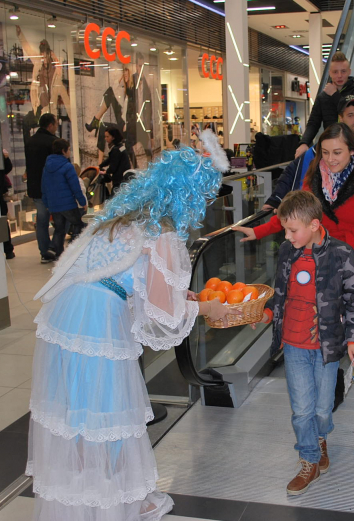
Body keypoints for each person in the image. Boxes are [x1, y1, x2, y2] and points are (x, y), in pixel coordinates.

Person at [28, 130, 239, 520]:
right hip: (95, 320)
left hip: (68, 310)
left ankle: (82, 498)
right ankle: (108, 504)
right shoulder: (163, 232)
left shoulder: (124, 215)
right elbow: (164, 314)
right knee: (108, 411)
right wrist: (208, 309)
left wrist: (185, 299)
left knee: (79, 413)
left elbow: (138, 285)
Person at [236, 123, 354, 437]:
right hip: (322, 271)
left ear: (352, 150)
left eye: (337, 152)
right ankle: (332, 395)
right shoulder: (314, 180)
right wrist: (257, 231)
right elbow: (293, 218)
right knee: (328, 337)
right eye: (325, 152)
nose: (331, 158)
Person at [253, 190, 354, 496]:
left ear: (315, 224)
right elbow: (280, 295)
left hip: (326, 348)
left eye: (293, 230)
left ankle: (320, 438)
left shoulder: (341, 254)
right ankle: (309, 461)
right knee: (302, 410)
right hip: (294, 345)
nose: (288, 237)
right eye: (285, 230)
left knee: (322, 408)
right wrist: (266, 316)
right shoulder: (288, 254)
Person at [295, 52, 354, 159]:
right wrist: (304, 143)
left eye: (343, 71)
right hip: (330, 148)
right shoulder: (323, 97)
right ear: (330, 73)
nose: (339, 75)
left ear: (349, 72)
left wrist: (334, 94)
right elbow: (313, 123)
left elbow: (350, 109)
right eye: (335, 72)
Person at [41, 139, 87, 258]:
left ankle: (56, 251)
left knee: (59, 229)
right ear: (63, 150)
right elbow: (75, 187)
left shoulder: (46, 167)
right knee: (78, 224)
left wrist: (47, 203)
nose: (70, 152)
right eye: (69, 149)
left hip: (54, 205)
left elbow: (44, 186)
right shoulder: (67, 167)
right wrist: (82, 202)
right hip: (68, 204)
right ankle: (72, 250)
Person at [25, 113, 58, 263]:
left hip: (35, 187)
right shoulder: (53, 142)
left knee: (42, 220)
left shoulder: (30, 142)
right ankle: (54, 248)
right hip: (52, 188)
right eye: (55, 124)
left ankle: (45, 251)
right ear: (50, 125)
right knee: (61, 219)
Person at [99, 127, 133, 194]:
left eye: (107, 137)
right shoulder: (120, 147)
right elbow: (110, 159)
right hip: (123, 178)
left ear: (113, 137)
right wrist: (100, 165)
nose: (106, 139)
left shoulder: (116, 149)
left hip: (119, 180)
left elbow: (113, 166)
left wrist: (105, 172)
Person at [0, 150, 15, 259]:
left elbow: (7, 168)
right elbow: (7, 168)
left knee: (2, 222)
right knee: (3, 222)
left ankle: (7, 249)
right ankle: (7, 249)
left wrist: (6, 158)